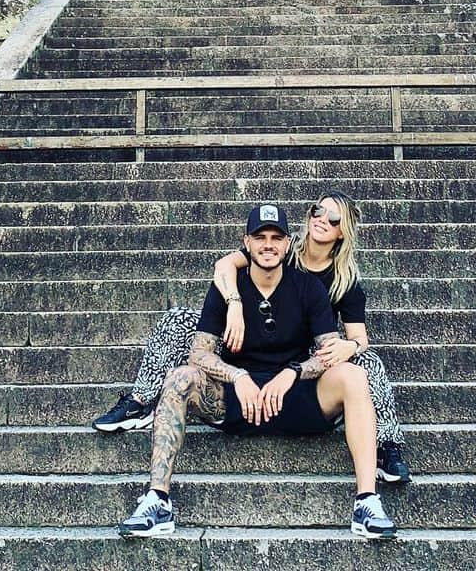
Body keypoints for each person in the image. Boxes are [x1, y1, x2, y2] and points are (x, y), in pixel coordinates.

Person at [117, 202, 397, 540]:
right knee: (179, 377)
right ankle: (157, 501)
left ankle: (367, 501)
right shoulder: (227, 286)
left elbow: (330, 352)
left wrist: (292, 372)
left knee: (354, 374)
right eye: (260, 236)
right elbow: (199, 353)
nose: (268, 244)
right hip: (239, 399)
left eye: (276, 237)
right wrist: (238, 376)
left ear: (288, 244)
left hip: (295, 398)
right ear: (245, 243)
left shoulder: (312, 288)